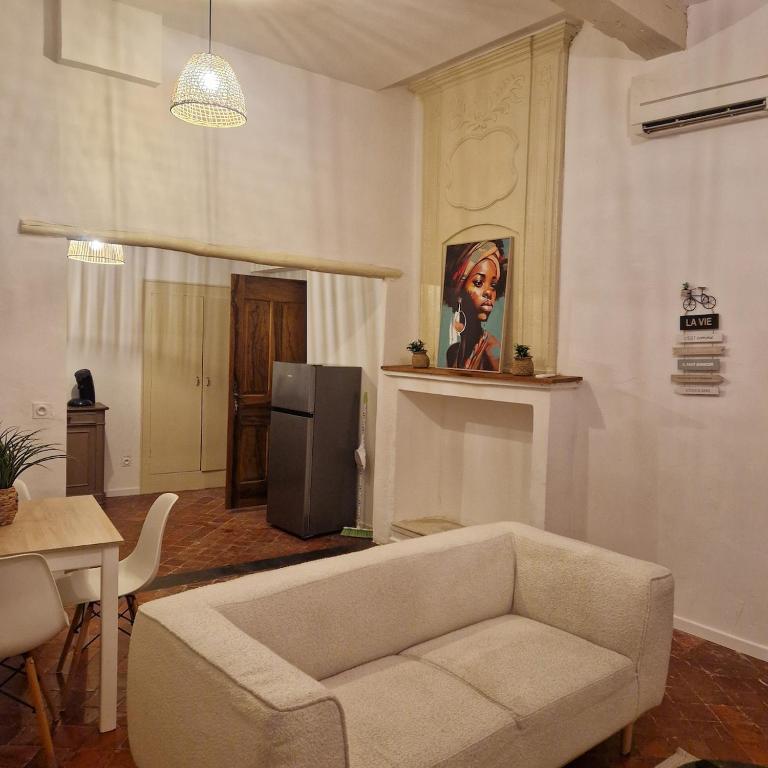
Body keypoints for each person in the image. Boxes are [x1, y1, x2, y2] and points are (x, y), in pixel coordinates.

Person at [442, 239, 508, 371]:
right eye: (478, 282)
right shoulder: (453, 352)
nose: (489, 292)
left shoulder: (493, 351)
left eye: (493, 285)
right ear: (459, 291)